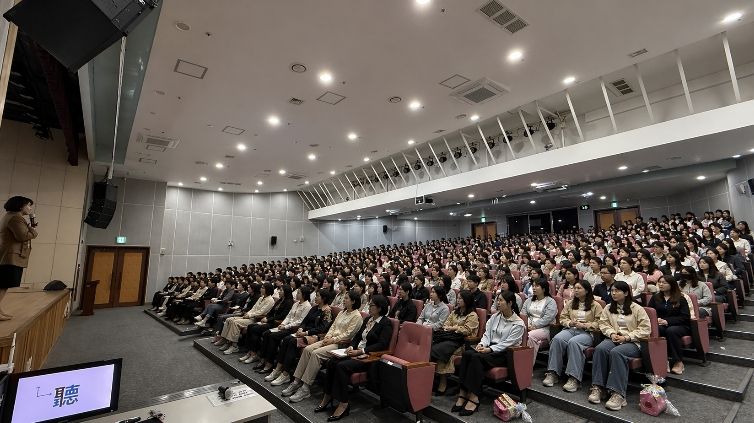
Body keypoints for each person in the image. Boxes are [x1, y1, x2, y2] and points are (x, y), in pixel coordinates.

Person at [315, 295, 392, 421]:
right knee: (331, 362)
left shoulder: (385, 323)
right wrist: (351, 346)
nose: (369, 307)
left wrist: (361, 351)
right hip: (356, 352)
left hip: (368, 357)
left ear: (379, 308)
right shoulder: (368, 319)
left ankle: (344, 404)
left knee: (341, 366)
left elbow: (382, 344)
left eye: (372, 305)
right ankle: (327, 396)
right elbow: (357, 337)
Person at [451, 291, 524, 416]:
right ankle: (463, 393)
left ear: (510, 303)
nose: (497, 303)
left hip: (505, 354)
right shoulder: (495, 317)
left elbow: (508, 343)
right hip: (490, 349)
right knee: (468, 354)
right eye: (497, 300)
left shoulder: (518, 323)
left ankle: (474, 397)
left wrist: (489, 349)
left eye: (501, 300)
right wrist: (482, 344)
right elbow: (487, 335)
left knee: (476, 357)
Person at [283, 292, 363, 403]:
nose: (344, 300)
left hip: (341, 344)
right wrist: (328, 337)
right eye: (344, 298)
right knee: (307, 350)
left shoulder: (357, 316)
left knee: (315, 354)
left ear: (353, 301)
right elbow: (333, 326)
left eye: (346, 298)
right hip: (329, 339)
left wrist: (332, 340)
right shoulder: (342, 312)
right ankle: (296, 382)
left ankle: (305, 388)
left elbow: (348, 334)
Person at [589, 281, 651, 411]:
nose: (613, 293)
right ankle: (598, 387)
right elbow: (603, 324)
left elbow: (645, 329)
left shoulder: (637, 308)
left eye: (617, 291)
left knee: (617, 352)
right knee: (600, 349)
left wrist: (627, 337)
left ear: (626, 293)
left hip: (633, 342)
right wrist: (611, 333)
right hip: (614, 338)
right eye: (612, 291)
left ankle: (618, 393)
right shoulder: (608, 307)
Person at [543, 281, 603, 392]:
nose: (575, 290)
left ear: (587, 290)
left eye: (579, 288)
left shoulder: (595, 305)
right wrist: (570, 323)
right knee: (557, 339)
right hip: (571, 329)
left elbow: (600, 323)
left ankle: (574, 378)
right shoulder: (571, 303)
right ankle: (553, 373)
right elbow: (562, 318)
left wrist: (585, 325)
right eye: (575, 288)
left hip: (587, 333)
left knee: (574, 342)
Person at [266, 289, 334, 387]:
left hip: (314, 336)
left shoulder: (327, 311)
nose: (315, 297)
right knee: (286, 339)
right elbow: (304, 321)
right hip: (304, 333)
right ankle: (277, 369)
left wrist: (306, 332)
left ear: (324, 298)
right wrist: (301, 328)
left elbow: (322, 328)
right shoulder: (314, 308)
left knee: (292, 342)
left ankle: (285, 374)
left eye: (318, 296)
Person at [431, 290, 479, 395]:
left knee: (442, 349)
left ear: (467, 300)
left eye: (461, 298)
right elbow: (446, 324)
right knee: (432, 346)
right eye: (458, 298)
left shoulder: (472, 315)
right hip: (449, 338)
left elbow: (467, 330)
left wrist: (453, 328)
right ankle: (433, 378)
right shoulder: (455, 312)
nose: (458, 300)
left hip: (462, 342)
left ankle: (443, 383)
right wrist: (454, 328)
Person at [0, 196, 38, 320]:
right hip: (11, 257)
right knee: (3, 285)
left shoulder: (10, 216)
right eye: (28, 205)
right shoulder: (16, 218)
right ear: (20, 206)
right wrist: (33, 229)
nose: (30, 208)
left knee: (3, 285)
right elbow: (23, 236)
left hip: (8, 255)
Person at [648, 275, 691, 375]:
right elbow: (650, 312)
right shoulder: (655, 297)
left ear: (672, 284)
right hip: (661, 325)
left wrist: (667, 321)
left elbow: (685, 317)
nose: (661, 284)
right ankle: (664, 360)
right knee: (657, 330)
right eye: (659, 282)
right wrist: (656, 319)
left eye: (664, 283)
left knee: (671, 331)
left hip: (680, 326)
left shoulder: (680, 298)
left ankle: (678, 361)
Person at [521, 279, 557, 357]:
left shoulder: (551, 302)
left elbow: (548, 318)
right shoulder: (528, 301)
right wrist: (527, 325)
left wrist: (534, 326)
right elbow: (523, 314)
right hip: (528, 326)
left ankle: (528, 362)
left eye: (537, 286)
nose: (534, 288)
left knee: (530, 336)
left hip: (545, 328)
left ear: (543, 289)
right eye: (533, 286)